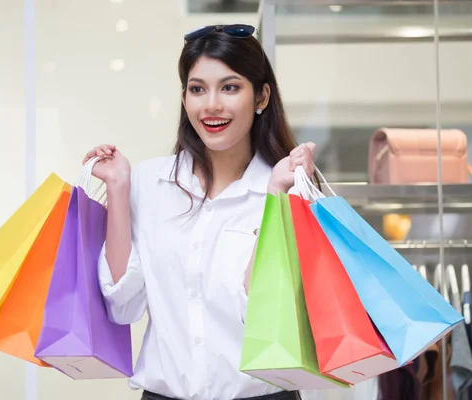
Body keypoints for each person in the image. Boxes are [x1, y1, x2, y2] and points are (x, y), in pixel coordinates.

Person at [83, 24, 317, 400]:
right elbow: (123, 305)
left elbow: (267, 315)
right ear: (184, 97)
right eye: (197, 89)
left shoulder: (287, 188)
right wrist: (119, 188)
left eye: (230, 87)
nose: (211, 105)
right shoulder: (150, 182)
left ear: (261, 97)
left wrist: (276, 195)